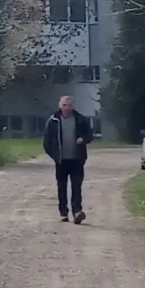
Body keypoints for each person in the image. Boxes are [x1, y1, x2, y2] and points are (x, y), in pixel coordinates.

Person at [41, 94, 94, 224]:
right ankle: (63, 213)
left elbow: (90, 135)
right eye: (64, 105)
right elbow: (46, 142)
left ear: (73, 106)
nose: (67, 108)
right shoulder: (53, 120)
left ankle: (77, 212)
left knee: (77, 186)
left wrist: (83, 139)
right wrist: (55, 156)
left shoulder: (80, 119)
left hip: (77, 159)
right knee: (62, 187)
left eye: (69, 105)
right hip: (61, 161)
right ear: (60, 105)